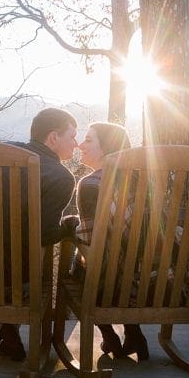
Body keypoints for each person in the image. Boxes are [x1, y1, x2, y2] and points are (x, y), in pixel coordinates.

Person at [0, 107, 79, 361]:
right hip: (16, 287)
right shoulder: (61, 177)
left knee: (7, 257)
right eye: (72, 136)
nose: (76, 143)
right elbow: (45, 235)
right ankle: (6, 330)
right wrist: (68, 225)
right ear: (53, 138)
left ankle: (2, 332)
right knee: (24, 268)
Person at [72, 121, 150, 360]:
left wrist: (70, 227)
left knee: (78, 273)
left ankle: (108, 335)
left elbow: (91, 241)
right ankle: (134, 333)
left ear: (106, 148)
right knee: (122, 260)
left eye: (88, 140)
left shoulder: (91, 184)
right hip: (144, 277)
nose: (80, 145)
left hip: (106, 283)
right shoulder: (141, 182)